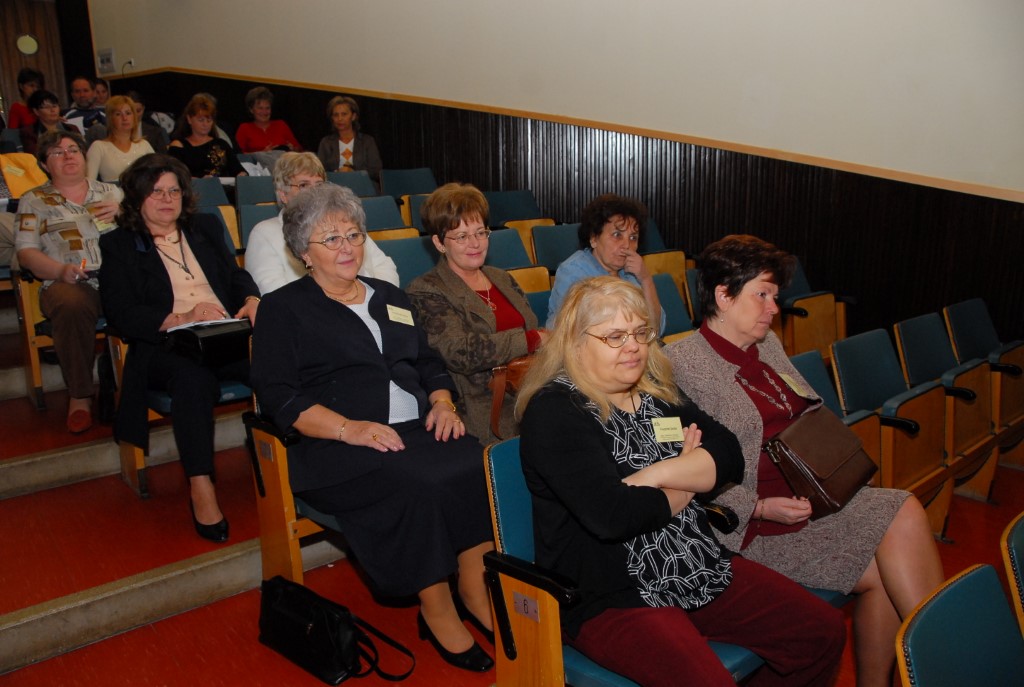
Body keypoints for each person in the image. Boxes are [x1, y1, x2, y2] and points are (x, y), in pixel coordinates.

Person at [517, 276, 845, 686]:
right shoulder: (555, 412)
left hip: (694, 560)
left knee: (822, 631)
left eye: (640, 332)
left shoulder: (654, 392)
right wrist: (690, 477)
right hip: (612, 592)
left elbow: (729, 454)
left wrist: (658, 474)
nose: (633, 346)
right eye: (615, 336)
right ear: (576, 343)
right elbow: (615, 516)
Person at [665, 234, 945, 687]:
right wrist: (758, 507)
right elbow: (680, 467)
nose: (773, 309)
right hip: (751, 528)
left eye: (775, 297)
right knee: (901, 519)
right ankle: (941, 664)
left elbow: (809, 407)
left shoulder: (767, 344)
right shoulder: (679, 364)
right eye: (762, 295)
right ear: (723, 295)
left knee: (893, 549)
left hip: (811, 497)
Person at [250, 183, 495, 673]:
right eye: (331, 239)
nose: (347, 247)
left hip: (416, 429)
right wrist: (349, 428)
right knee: (420, 483)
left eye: (353, 235)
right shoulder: (283, 308)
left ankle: (473, 585)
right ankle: (436, 606)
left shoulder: (389, 296)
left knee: (477, 461)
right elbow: (281, 397)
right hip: (336, 444)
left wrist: (443, 403)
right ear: (303, 252)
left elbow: (428, 363)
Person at [99, 154, 260, 543]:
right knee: (193, 381)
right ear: (137, 197)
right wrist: (182, 317)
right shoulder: (119, 243)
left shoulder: (204, 227)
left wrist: (252, 299)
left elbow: (235, 275)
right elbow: (120, 311)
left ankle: (288, 459)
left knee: (274, 364)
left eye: (174, 191)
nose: (167, 199)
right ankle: (201, 485)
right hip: (166, 345)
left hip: (223, 336)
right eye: (156, 192)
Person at [407, 183, 546, 444]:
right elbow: (459, 352)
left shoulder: (502, 278)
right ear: (438, 242)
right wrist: (531, 340)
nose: (475, 243)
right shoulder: (427, 289)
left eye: (480, 232)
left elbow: (531, 329)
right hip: (481, 409)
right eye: (461, 236)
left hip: (529, 393)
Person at [14, 130, 122, 433]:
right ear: (44, 164)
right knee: (70, 302)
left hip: (119, 279)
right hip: (69, 282)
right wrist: (60, 270)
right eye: (57, 152)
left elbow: (151, 230)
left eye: (73, 149)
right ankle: (80, 394)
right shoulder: (34, 200)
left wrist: (126, 214)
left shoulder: (114, 193)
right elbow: (26, 252)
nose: (68, 156)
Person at [245, 152, 398, 294]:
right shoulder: (264, 233)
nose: (314, 192)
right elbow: (273, 291)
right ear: (283, 194)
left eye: (319, 185)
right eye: (303, 185)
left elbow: (385, 267)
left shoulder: (345, 223)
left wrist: (375, 299)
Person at [546, 193, 663, 333]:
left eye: (633, 237)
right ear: (594, 238)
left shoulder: (631, 273)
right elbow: (569, 333)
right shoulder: (573, 272)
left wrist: (646, 279)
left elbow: (656, 329)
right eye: (617, 235)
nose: (627, 245)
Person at [168, 94, 245, 178]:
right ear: (189, 119)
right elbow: (175, 175)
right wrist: (201, 181)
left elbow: (238, 169)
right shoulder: (178, 146)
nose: (205, 124)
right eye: (201, 120)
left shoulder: (221, 144)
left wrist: (242, 174)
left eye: (209, 120)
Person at [316, 96, 382, 186]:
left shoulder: (367, 141)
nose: (340, 119)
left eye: (344, 114)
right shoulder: (326, 142)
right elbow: (319, 172)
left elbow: (377, 171)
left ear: (353, 116)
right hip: (334, 187)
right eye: (336, 115)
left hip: (362, 186)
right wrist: (336, 173)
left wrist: (354, 173)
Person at [86, 96, 155, 182]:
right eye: (118, 114)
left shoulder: (144, 145)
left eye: (128, 113)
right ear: (111, 119)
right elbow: (89, 183)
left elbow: (158, 175)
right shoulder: (98, 147)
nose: (124, 118)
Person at [234, 86, 302, 154]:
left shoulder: (281, 125)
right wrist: (262, 154)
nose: (264, 112)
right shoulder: (244, 128)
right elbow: (238, 154)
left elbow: (299, 149)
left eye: (267, 108)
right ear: (251, 110)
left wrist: (292, 149)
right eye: (260, 108)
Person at [20, 90, 80, 155]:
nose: (52, 110)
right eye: (47, 107)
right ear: (36, 111)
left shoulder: (72, 128)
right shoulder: (29, 132)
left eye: (54, 106)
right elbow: (34, 155)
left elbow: (81, 150)